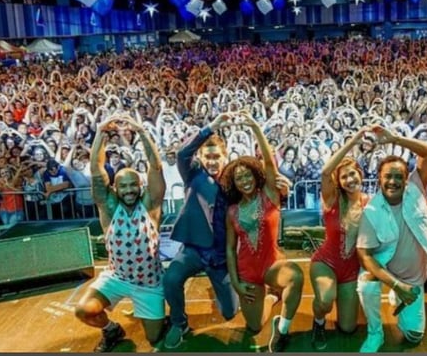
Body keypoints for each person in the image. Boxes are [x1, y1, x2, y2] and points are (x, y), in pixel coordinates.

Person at [74, 114, 166, 352]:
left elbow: (156, 167)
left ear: (140, 186)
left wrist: (142, 132)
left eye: (133, 185)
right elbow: (96, 169)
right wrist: (100, 133)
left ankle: (162, 315)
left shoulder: (150, 206)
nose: (129, 190)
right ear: (115, 188)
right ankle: (111, 330)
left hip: (149, 283)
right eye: (123, 186)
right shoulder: (108, 207)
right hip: (117, 279)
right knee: (83, 310)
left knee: (154, 338)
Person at [223, 111, 304, 352]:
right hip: (247, 271)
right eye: (239, 178)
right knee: (255, 326)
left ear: (255, 175)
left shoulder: (269, 195)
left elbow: (269, 162)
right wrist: (236, 282)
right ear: (234, 183)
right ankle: (271, 297)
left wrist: (255, 127)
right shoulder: (232, 211)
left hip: (272, 264)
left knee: (296, 276)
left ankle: (282, 329)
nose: (244, 180)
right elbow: (230, 249)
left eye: (247, 175)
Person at [355, 125, 427, 352]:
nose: (393, 181)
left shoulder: (417, 189)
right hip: (388, 271)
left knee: (413, 336)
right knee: (366, 284)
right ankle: (375, 333)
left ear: (407, 179)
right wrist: (396, 285)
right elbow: (365, 256)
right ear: (379, 179)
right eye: (388, 176)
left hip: (413, 277)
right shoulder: (371, 211)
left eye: (399, 176)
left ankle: (399, 296)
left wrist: (394, 139)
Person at [162, 113, 240, 349]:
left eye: (217, 157)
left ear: (225, 156)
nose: (212, 162)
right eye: (208, 157)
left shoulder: (234, 180)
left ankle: (219, 290)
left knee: (230, 312)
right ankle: (179, 323)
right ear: (201, 157)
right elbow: (182, 154)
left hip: (221, 255)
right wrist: (210, 127)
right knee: (171, 279)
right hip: (194, 250)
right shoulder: (193, 173)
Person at [309, 127, 370, 349]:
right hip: (326, 262)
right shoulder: (332, 199)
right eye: (344, 176)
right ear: (339, 181)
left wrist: (422, 205)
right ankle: (318, 322)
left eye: (352, 174)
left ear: (360, 174)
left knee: (348, 327)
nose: (349, 179)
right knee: (325, 300)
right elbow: (326, 172)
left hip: (351, 269)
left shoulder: (369, 202)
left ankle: (348, 301)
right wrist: (352, 141)